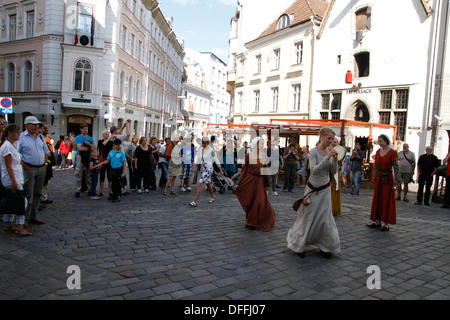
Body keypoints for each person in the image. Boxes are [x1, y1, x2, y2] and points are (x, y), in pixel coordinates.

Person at [287, 127, 340, 258]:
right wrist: (327, 157)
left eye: (332, 138)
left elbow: (333, 171)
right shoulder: (314, 151)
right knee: (308, 216)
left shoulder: (330, 151)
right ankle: (300, 245)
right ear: (321, 137)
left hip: (325, 188)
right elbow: (314, 170)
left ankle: (325, 246)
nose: (331, 141)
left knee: (325, 218)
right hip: (312, 188)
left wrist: (334, 160)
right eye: (329, 138)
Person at [234, 137, 276, 231]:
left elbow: (265, 170)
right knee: (251, 201)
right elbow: (244, 171)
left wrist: (267, 184)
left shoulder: (264, 156)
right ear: (255, 145)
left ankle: (259, 221)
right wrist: (238, 183)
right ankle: (250, 222)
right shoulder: (248, 156)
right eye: (260, 144)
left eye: (263, 144)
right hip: (250, 181)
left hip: (260, 182)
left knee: (260, 202)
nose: (262, 146)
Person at [18, 116, 50, 226]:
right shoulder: (21, 137)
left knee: (37, 193)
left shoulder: (40, 137)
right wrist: (24, 165)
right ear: (27, 125)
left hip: (41, 168)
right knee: (28, 194)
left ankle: (33, 216)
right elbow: (17, 154)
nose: (36, 127)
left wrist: (45, 163)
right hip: (29, 168)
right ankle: (25, 219)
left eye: (37, 125)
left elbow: (46, 151)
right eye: (34, 125)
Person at [1, 124, 32, 236]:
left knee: (11, 200)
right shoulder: (7, 147)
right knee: (21, 202)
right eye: (17, 133)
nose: (19, 135)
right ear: (10, 133)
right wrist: (13, 181)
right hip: (12, 178)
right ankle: (19, 226)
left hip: (14, 177)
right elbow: (8, 165)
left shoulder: (11, 145)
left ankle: (8, 223)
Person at [367, 134, 401, 231]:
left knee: (386, 199)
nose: (379, 143)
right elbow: (376, 167)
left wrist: (397, 181)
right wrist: (374, 179)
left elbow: (396, 167)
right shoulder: (378, 152)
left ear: (386, 142)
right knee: (378, 198)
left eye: (381, 141)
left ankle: (386, 223)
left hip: (388, 177)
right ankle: (377, 221)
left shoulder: (392, 153)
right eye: (378, 141)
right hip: (379, 177)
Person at [189, 136, 223, 207]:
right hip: (203, 167)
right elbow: (198, 158)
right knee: (208, 183)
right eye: (202, 143)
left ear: (208, 143)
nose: (203, 144)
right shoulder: (201, 149)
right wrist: (195, 167)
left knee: (200, 183)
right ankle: (213, 196)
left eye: (204, 143)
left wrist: (220, 169)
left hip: (209, 168)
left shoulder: (211, 150)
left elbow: (216, 160)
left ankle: (195, 201)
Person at [74, 123, 94, 198]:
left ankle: (89, 189)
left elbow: (93, 148)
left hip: (89, 156)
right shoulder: (78, 138)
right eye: (84, 129)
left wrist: (89, 145)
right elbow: (80, 148)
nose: (86, 130)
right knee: (79, 173)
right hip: (80, 156)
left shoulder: (90, 138)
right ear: (81, 129)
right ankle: (77, 190)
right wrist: (89, 148)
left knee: (88, 173)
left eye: (87, 129)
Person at [97, 130, 113, 197]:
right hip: (102, 159)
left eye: (108, 134)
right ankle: (102, 191)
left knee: (110, 176)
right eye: (106, 134)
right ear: (103, 135)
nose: (108, 135)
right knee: (102, 176)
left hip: (109, 160)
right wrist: (109, 139)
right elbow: (102, 145)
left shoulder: (111, 142)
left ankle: (110, 191)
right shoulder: (100, 141)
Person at [330, 138, 341, 216]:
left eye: (336, 142)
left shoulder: (338, 151)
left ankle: (334, 209)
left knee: (335, 189)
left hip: (336, 170)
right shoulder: (328, 149)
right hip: (329, 171)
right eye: (333, 142)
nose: (334, 143)